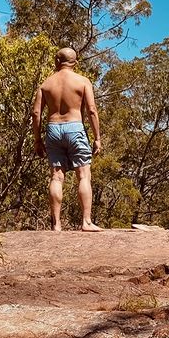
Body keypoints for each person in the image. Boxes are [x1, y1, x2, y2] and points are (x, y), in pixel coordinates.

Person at [32, 47, 102, 232]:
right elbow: (92, 110)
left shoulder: (46, 84)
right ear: (75, 63)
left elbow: (36, 113)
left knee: (56, 176)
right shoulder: (82, 81)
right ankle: (86, 222)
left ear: (56, 61)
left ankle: (56, 224)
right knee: (84, 175)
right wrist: (97, 138)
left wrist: (37, 140)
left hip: (53, 128)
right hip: (75, 127)